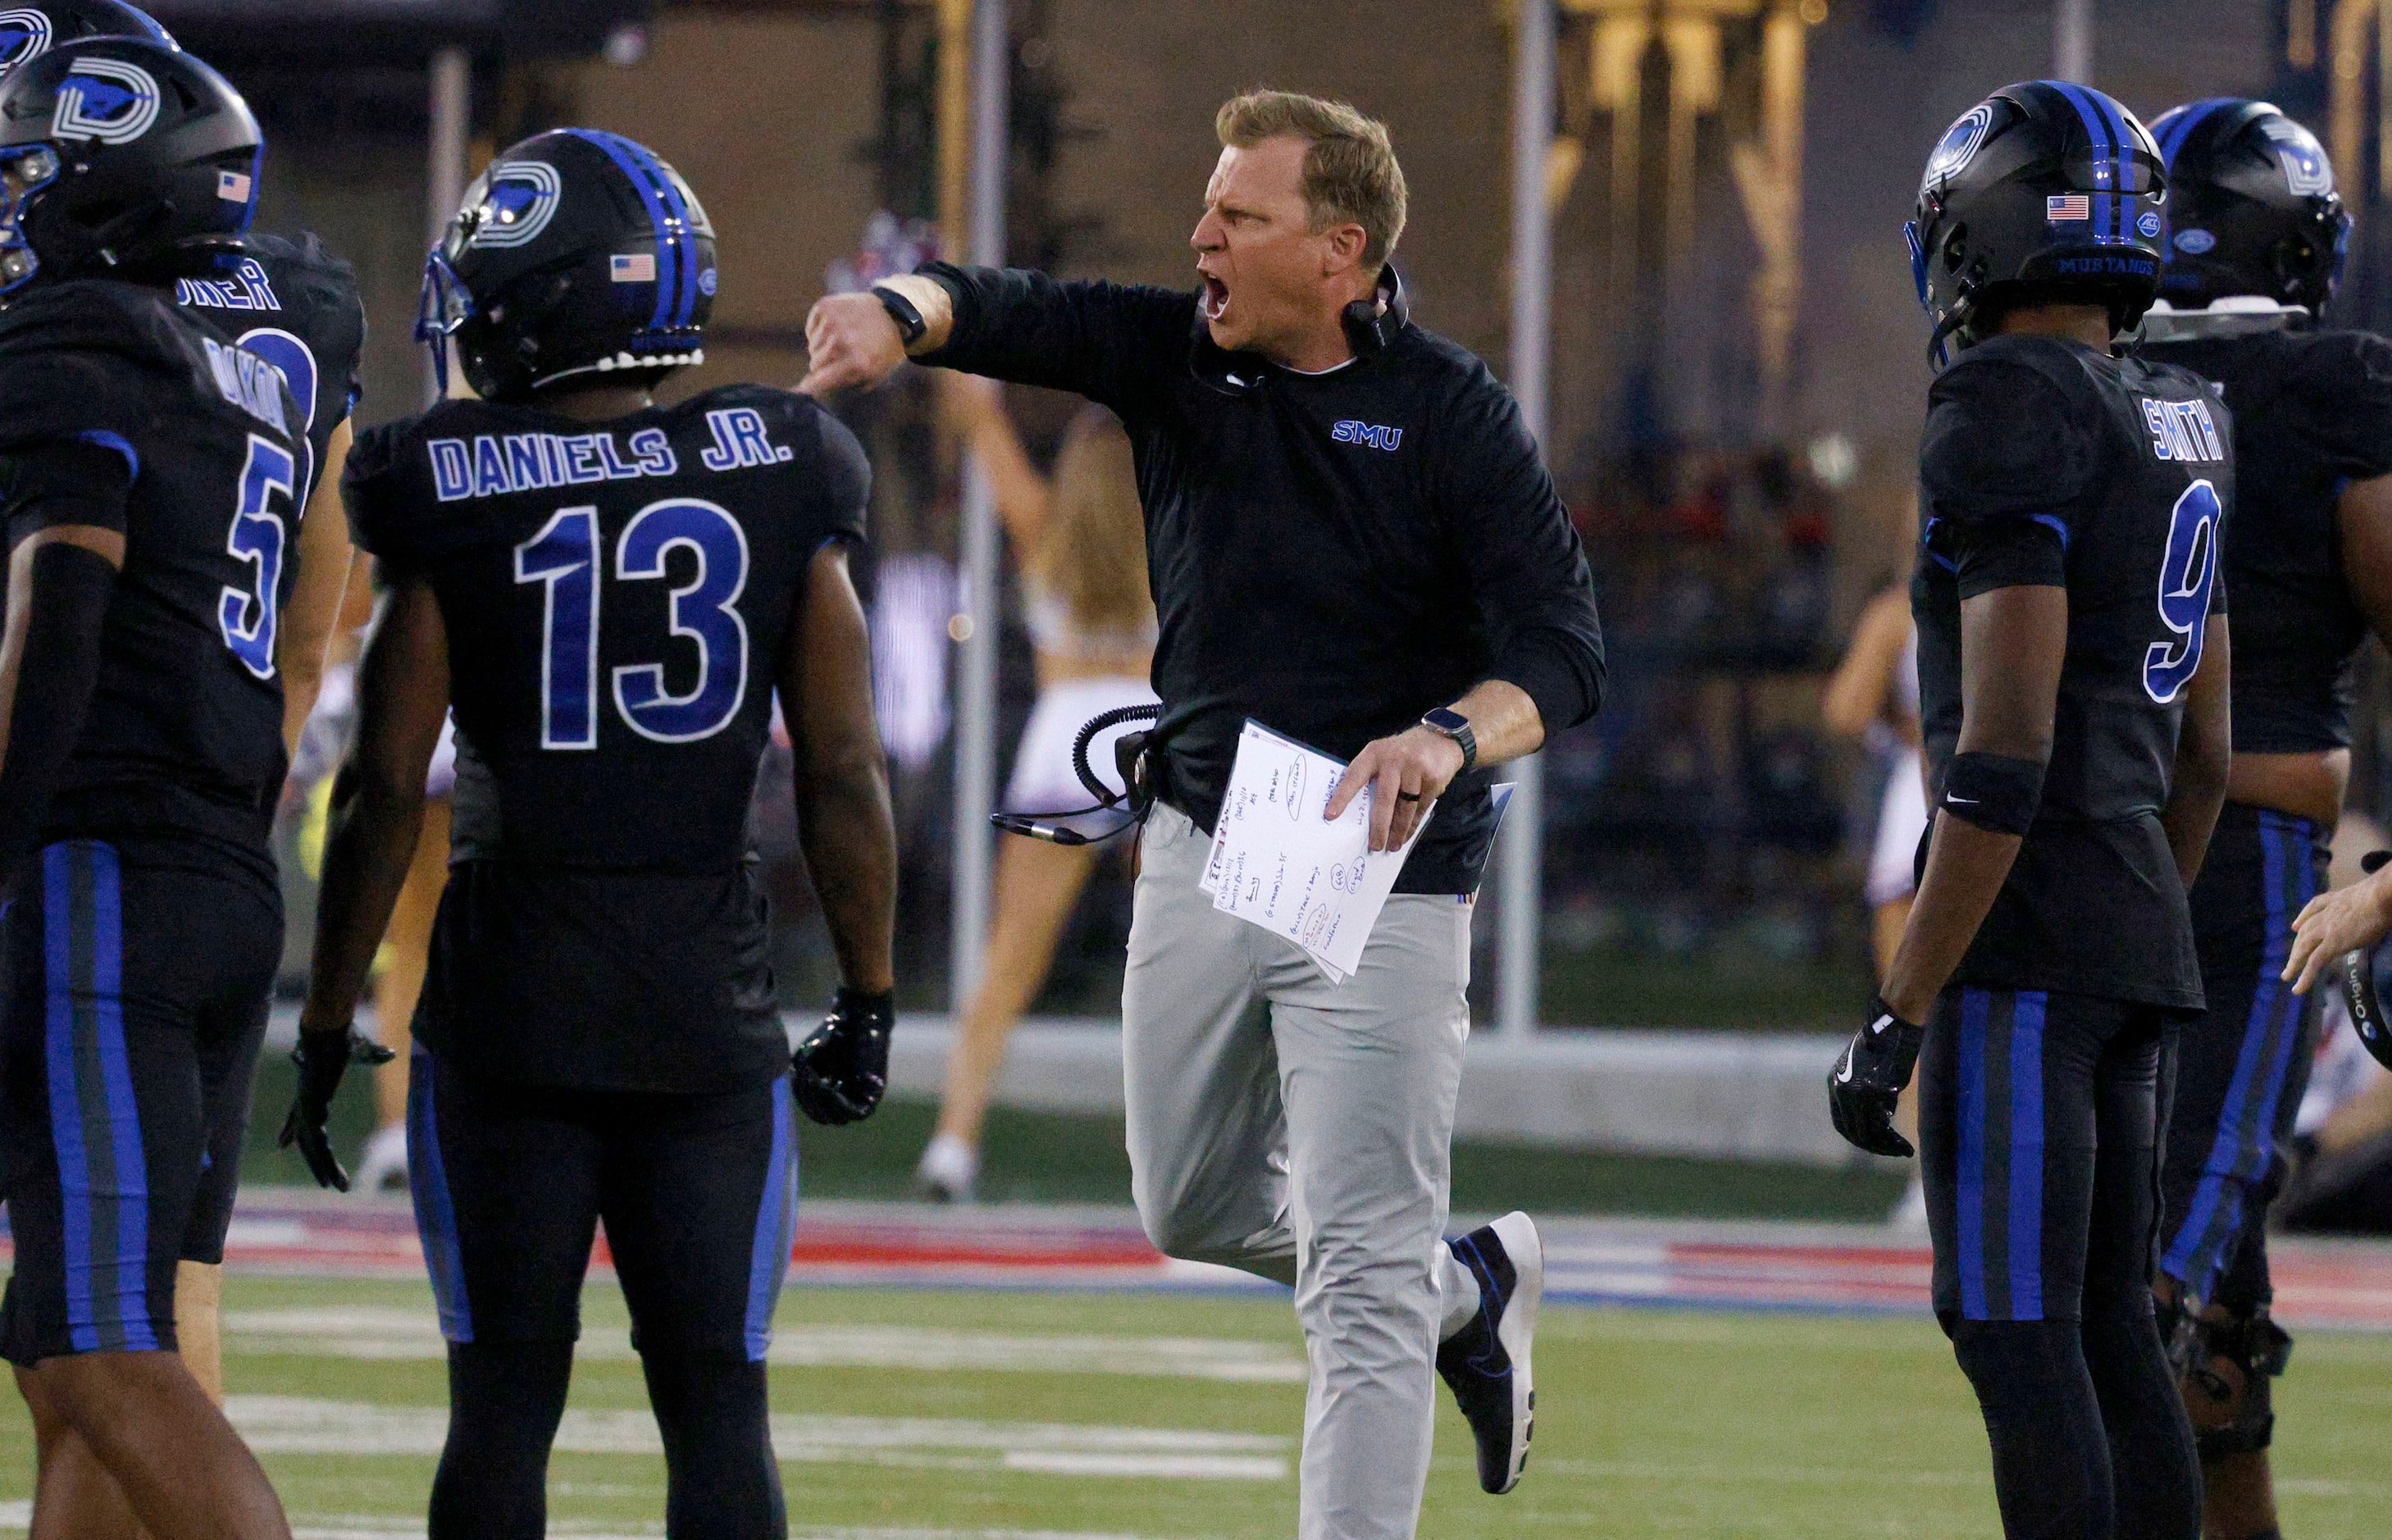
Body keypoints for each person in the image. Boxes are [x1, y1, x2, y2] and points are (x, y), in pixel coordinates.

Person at [804, 89, 1606, 1532]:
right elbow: (1010, 308)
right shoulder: (1181, 355)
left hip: (1385, 872)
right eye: (1208, 209)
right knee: (1183, 1202)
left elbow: (1561, 652)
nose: (1203, 239)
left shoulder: (1449, 411)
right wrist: (895, 310)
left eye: (1240, 216)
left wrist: (1446, 735)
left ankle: (1402, 1292)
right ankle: (1458, 1287)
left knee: (1352, 1287)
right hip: (1209, 841)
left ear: (1339, 251)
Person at [284, 129, 898, 1540]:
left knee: (501, 1405)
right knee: (719, 1412)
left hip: (510, 1003)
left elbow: (385, 780)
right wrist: (867, 994)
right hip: (706, 1001)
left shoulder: (439, 473)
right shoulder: (786, 454)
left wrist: (327, 1012)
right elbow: (844, 768)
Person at [1829, 81, 2230, 1538]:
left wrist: (1902, 1002)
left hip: (2026, 943)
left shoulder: (2001, 400)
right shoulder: (2185, 405)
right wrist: (2139, 906)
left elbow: (2002, 745)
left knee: (2012, 1326)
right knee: (2112, 1328)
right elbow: (2204, 745)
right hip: (2135, 928)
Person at [0, 31, 321, 1540]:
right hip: (213, 878)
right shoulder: (241, 373)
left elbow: (61, 605)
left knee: (113, 1354)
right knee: (71, 1349)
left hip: (98, 878)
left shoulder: (71, 337)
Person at [2131, 97, 2392, 1540]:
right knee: (2164, 1298)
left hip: (2088, 854)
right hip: (2240, 861)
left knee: (2177, 1306)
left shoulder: (2055, 376)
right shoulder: (2327, 384)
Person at [916, 381, 1157, 1201]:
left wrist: (956, 351)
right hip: (1154, 741)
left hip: (1065, 742)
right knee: (1192, 962)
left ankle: (952, 1145)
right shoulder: (1174, 537)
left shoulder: (1043, 524)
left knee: (1010, 962)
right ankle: (1216, 1155)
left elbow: (978, 419)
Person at [1823, 567, 1931, 1228]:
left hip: (1926, 797)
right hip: (2014, 794)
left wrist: (1908, 722)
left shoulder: (1904, 610)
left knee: (1912, 1001)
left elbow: (1846, 708)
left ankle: (1932, 1181)